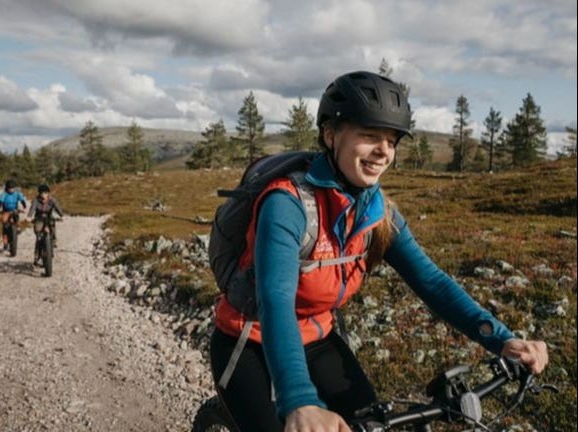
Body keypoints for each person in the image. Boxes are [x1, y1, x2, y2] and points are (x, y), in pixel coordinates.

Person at [209, 71, 549, 432]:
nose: (383, 150)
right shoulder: (286, 203)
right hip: (249, 339)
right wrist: (299, 400)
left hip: (318, 338)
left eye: (391, 140)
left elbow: (432, 282)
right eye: (370, 135)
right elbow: (274, 299)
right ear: (330, 135)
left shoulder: (379, 214)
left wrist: (503, 339)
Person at [27, 184, 64, 265]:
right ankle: (37, 255)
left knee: (52, 228)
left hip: (49, 218)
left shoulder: (52, 200)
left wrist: (61, 215)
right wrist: (29, 216)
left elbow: (57, 208)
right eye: (42, 193)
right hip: (39, 218)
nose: (44, 195)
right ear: (39, 194)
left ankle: (53, 241)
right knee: (38, 236)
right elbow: (32, 208)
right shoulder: (36, 200)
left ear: (48, 193)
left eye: (45, 193)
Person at [0, 179, 27, 249]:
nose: (11, 190)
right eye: (10, 188)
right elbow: (1, 201)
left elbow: (22, 200)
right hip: (6, 210)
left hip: (14, 209)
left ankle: (18, 227)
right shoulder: (4, 194)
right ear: (7, 188)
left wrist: (24, 206)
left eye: (12, 188)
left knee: (16, 216)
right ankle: (5, 240)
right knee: (4, 223)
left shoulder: (17, 194)